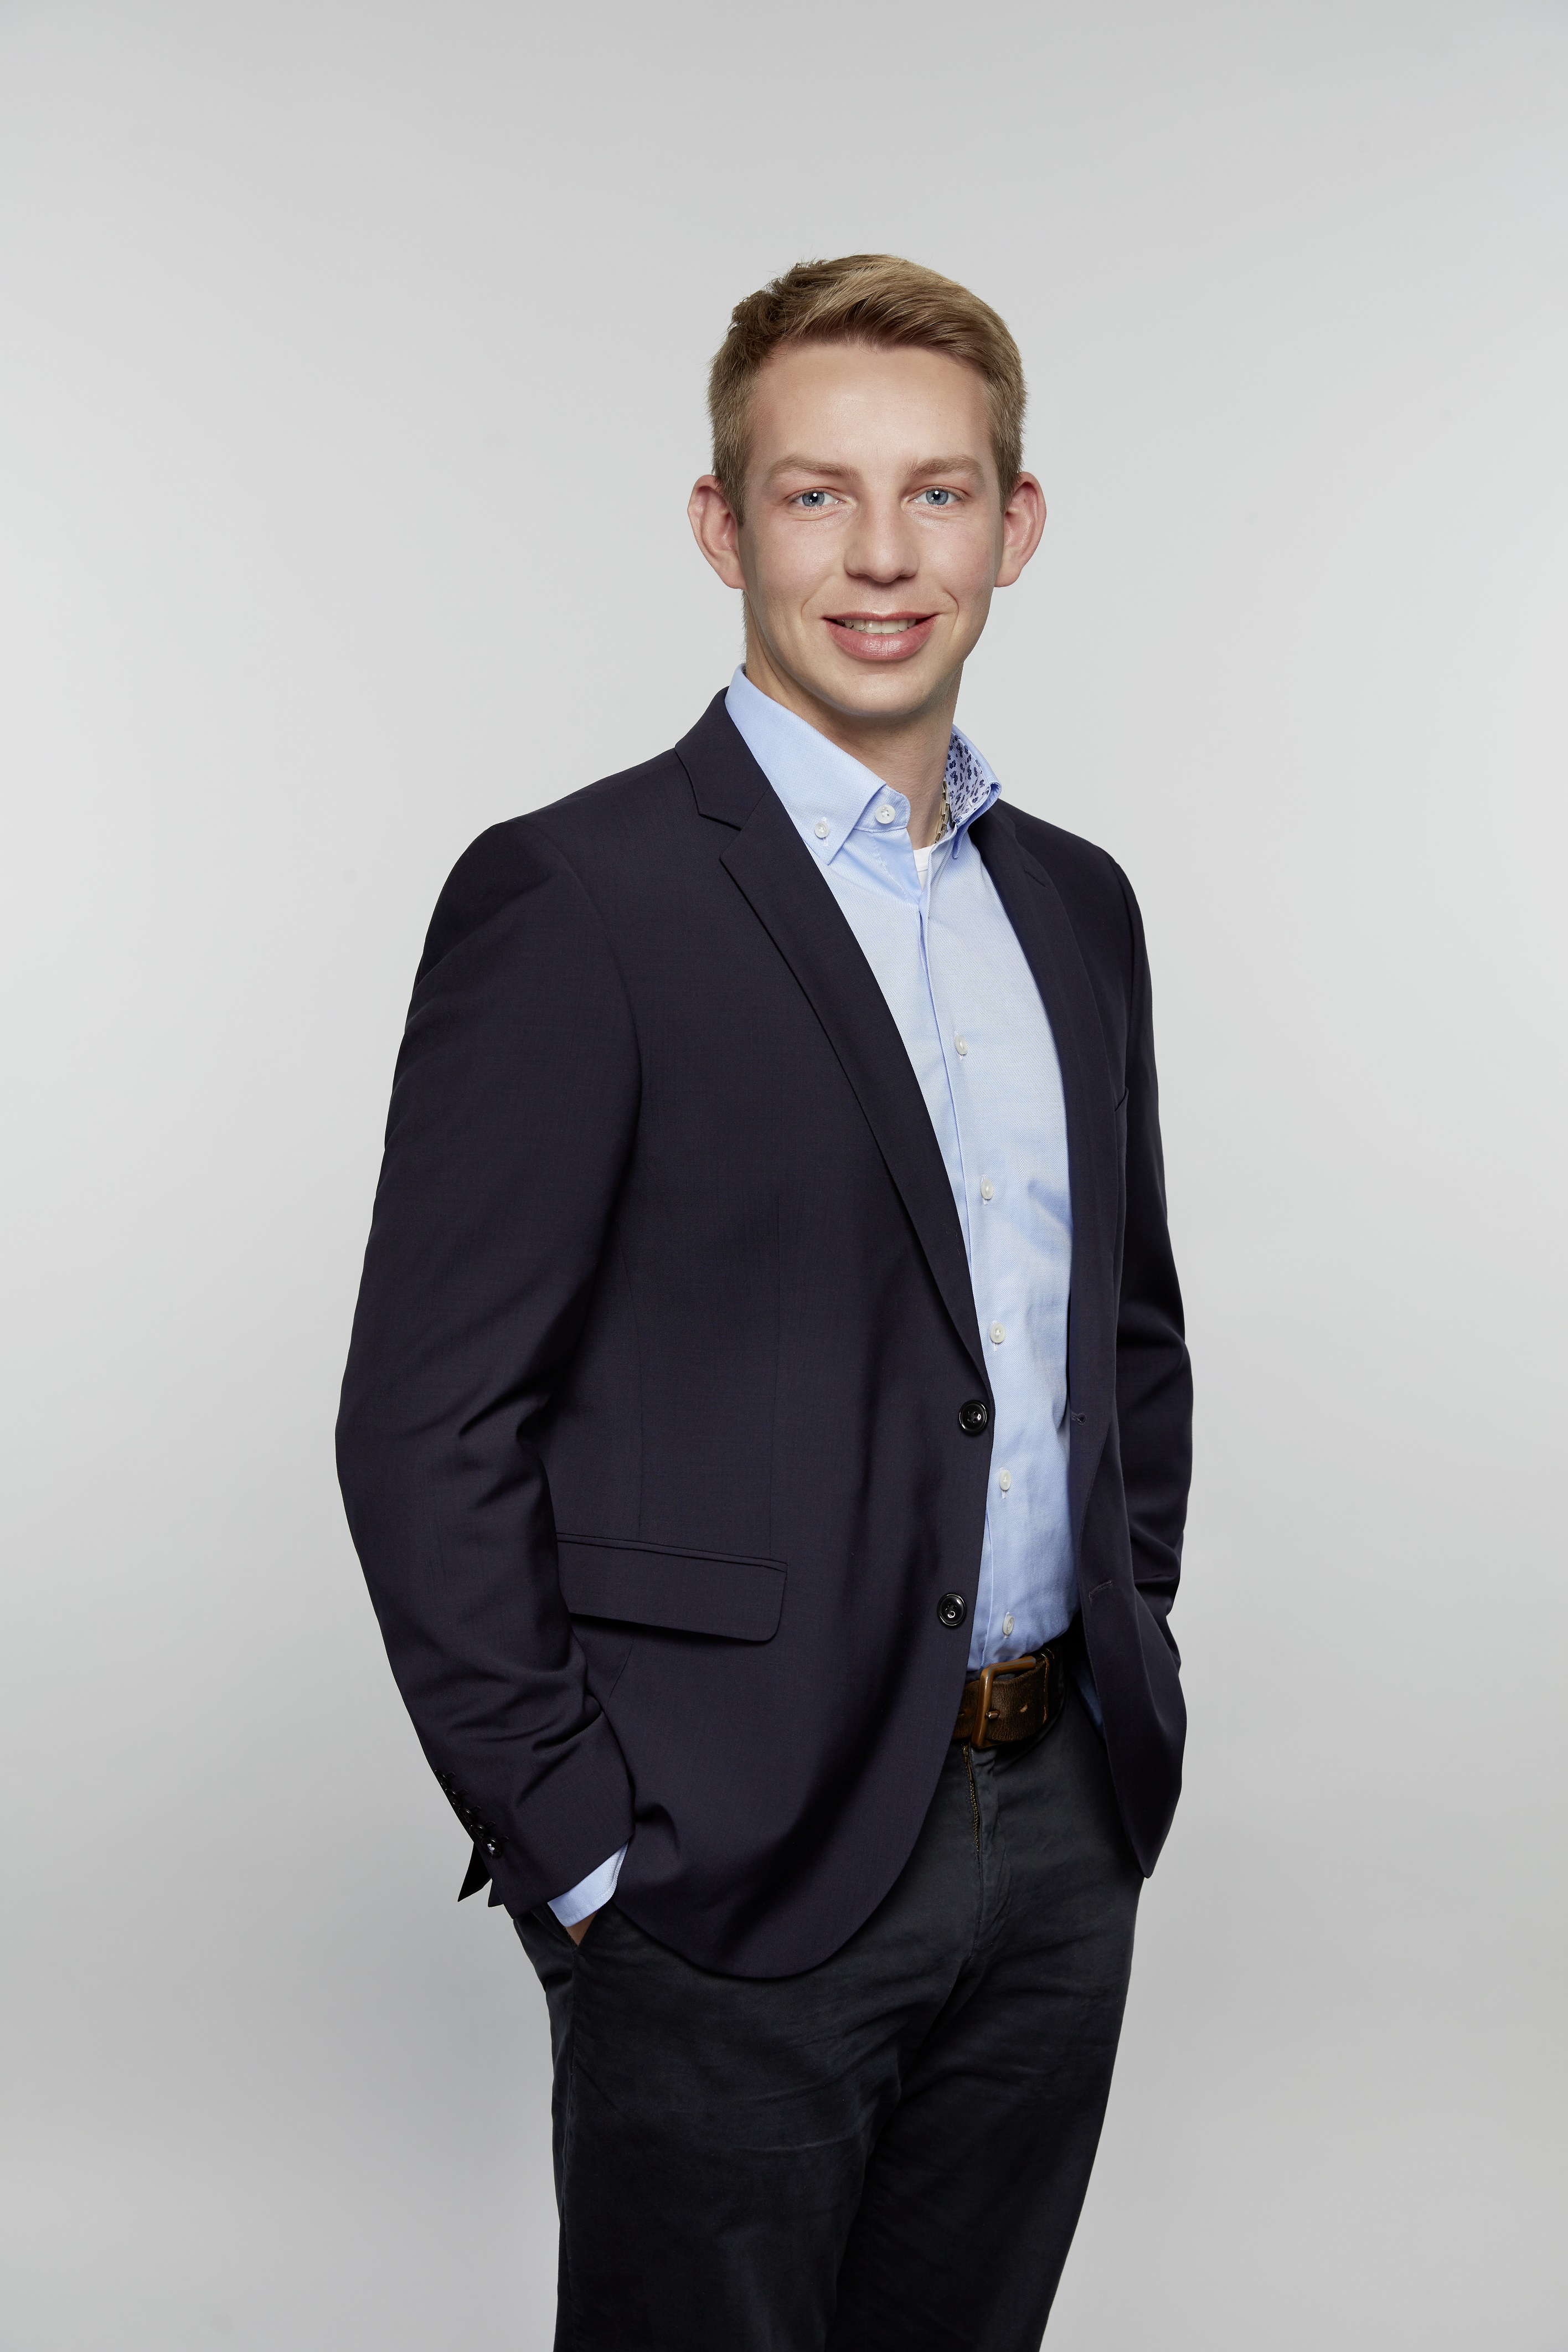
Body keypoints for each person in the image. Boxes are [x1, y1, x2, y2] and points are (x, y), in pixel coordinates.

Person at [337, 252, 1192, 2352]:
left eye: (936, 492)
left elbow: (1125, 1346)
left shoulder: (1076, 907)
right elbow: (428, 1424)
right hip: (722, 1860)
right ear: (723, 527)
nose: (882, 556)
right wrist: (586, 1849)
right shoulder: (578, 897)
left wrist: (1126, 1668)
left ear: (1016, 523)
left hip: (1055, 1829)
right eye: (818, 495)